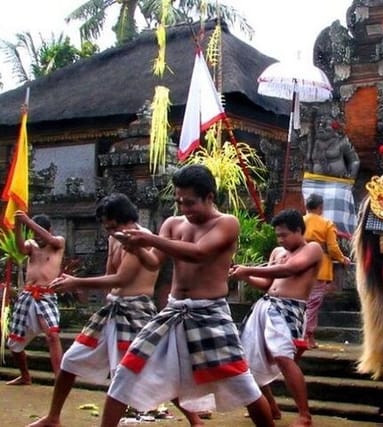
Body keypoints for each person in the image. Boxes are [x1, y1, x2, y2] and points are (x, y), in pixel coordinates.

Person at [96, 165, 274, 427]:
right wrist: (135, 247)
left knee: (243, 385)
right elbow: (154, 262)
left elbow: (198, 252)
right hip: (173, 311)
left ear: (209, 197)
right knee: (126, 372)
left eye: (190, 202)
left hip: (209, 313)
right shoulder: (172, 223)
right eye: (179, 201)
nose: (183, 208)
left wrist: (150, 239)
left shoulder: (226, 223)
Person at [27, 193, 202, 427]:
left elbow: (122, 278)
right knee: (70, 360)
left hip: (136, 312)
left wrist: (77, 282)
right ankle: (53, 417)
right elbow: (112, 276)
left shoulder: (142, 238)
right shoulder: (114, 238)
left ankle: (195, 419)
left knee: (151, 369)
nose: (109, 231)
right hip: (112, 310)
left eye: (112, 226)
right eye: (106, 227)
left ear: (125, 220)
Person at [230, 209, 323, 427]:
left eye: (285, 235)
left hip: (289, 309)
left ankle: (304, 415)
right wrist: (244, 275)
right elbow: (267, 284)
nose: (280, 239)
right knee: (248, 359)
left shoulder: (312, 249)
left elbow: (291, 269)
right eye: (278, 235)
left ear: (299, 230)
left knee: (283, 357)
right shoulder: (277, 252)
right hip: (265, 307)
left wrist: (249, 269)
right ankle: (271, 406)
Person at [6, 211, 65, 385]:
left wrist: (27, 221)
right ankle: (25, 376)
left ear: (49, 230)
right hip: (28, 295)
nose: (38, 239)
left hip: (46, 296)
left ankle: (59, 379)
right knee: (13, 342)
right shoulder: (32, 245)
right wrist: (18, 225)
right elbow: (20, 249)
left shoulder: (58, 242)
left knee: (52, 335)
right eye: (35, 236)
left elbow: (51, 240)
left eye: (40, 234)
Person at [302, 193, 350, 348]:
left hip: (300, 266)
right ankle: (304, 337)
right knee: (312, 305)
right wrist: (343, 259)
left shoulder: (300, 221)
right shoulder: (326, 223)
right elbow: (332, 248)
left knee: (305, 303)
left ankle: (310, 338)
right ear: (320, 207)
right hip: (319, 267)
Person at [302, 112, 360, 235]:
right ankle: (314, 233)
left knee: (337, 217)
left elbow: (354, 161)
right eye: (319, 124)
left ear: (335, 127)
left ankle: (339, 234)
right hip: (314, 184)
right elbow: (309, 161)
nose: (321, 127)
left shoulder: (342, 142)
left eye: (325, 124)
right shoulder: (313, 142)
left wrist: (351, 178)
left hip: (338, 185)